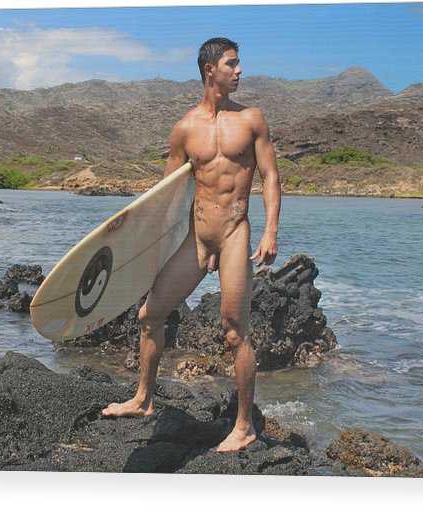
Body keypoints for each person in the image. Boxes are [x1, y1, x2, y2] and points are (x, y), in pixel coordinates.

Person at [102, 37, 281, 452]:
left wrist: (271, 230)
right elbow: (166, 195)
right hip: (196, 237)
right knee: (149, 315)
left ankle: (243, 426)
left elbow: (271, 176)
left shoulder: (252, 119)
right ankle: (143, 400)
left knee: (234, 332)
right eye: (232, 64)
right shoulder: (184, 129)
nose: (239, 71)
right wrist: (139, 247)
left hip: (234, 233)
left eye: (239, 63)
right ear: (210, 70)